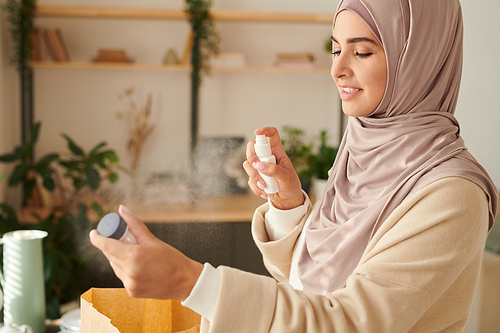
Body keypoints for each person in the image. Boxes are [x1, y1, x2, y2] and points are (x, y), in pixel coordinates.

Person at [90, 0, 499, 331]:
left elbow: (349, 322)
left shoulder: (452, 195)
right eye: (336, 49)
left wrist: (190, 281)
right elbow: (310, 286)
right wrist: (288, 207)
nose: (338, 69)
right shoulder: (363, 151)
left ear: (420, 58)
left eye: (362, 51)